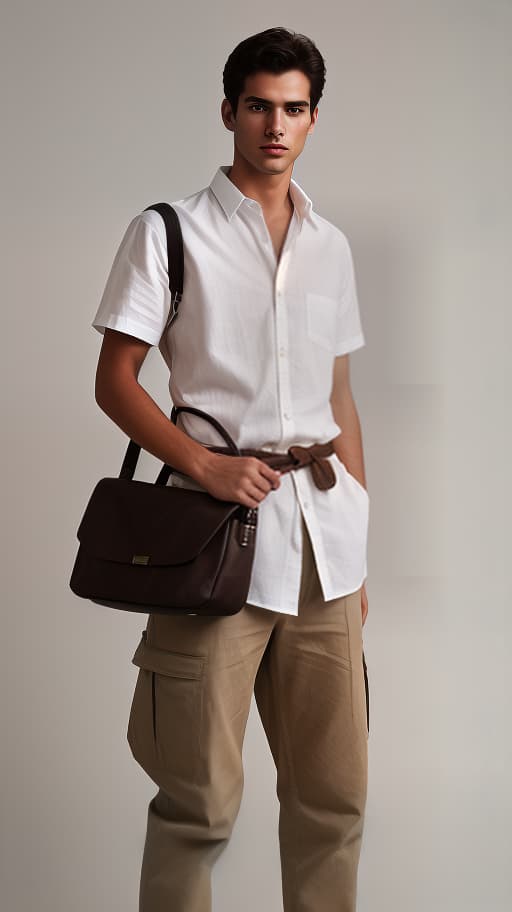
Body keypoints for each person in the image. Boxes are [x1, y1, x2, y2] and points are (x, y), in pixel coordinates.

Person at [92, 26, 370, 912]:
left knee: (333, 801)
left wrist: (358, 547)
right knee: (198, 805)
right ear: (229, 111)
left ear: (314, 119)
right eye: (259, 106)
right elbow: (114, 382)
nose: (275, 127)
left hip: (325, 551)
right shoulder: (170, 231)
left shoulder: (332, 245)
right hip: (215, 548)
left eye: (293, 109)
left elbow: (341, 400)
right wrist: (205, 467)